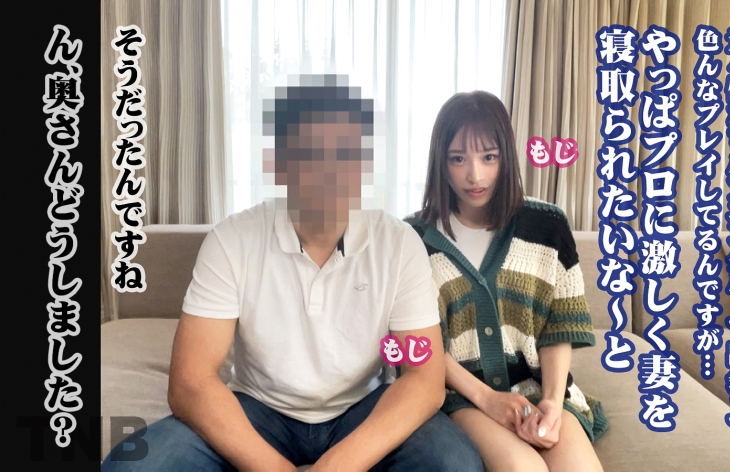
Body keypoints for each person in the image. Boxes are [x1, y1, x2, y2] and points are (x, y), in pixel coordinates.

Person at [102, 75, 484, 472]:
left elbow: (424, 379)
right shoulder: (232, 239)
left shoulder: (399, 243)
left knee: (455, 464)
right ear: (279, 164)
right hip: (258, 408)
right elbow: (190, 382)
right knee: (133, 466)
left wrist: (339, 464)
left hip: (361, 406)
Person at [405, 91, 608, 472]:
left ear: (506, 157)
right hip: (461, 396)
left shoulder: (547, 225)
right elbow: (420, 343)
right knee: (522, 468)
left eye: (489, 157)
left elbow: (558, 328)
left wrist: (552, 402)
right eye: (458, 159)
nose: (475, 175)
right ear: (441, 163)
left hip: (538, 389)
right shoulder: (412, 238)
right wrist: (487, 399)